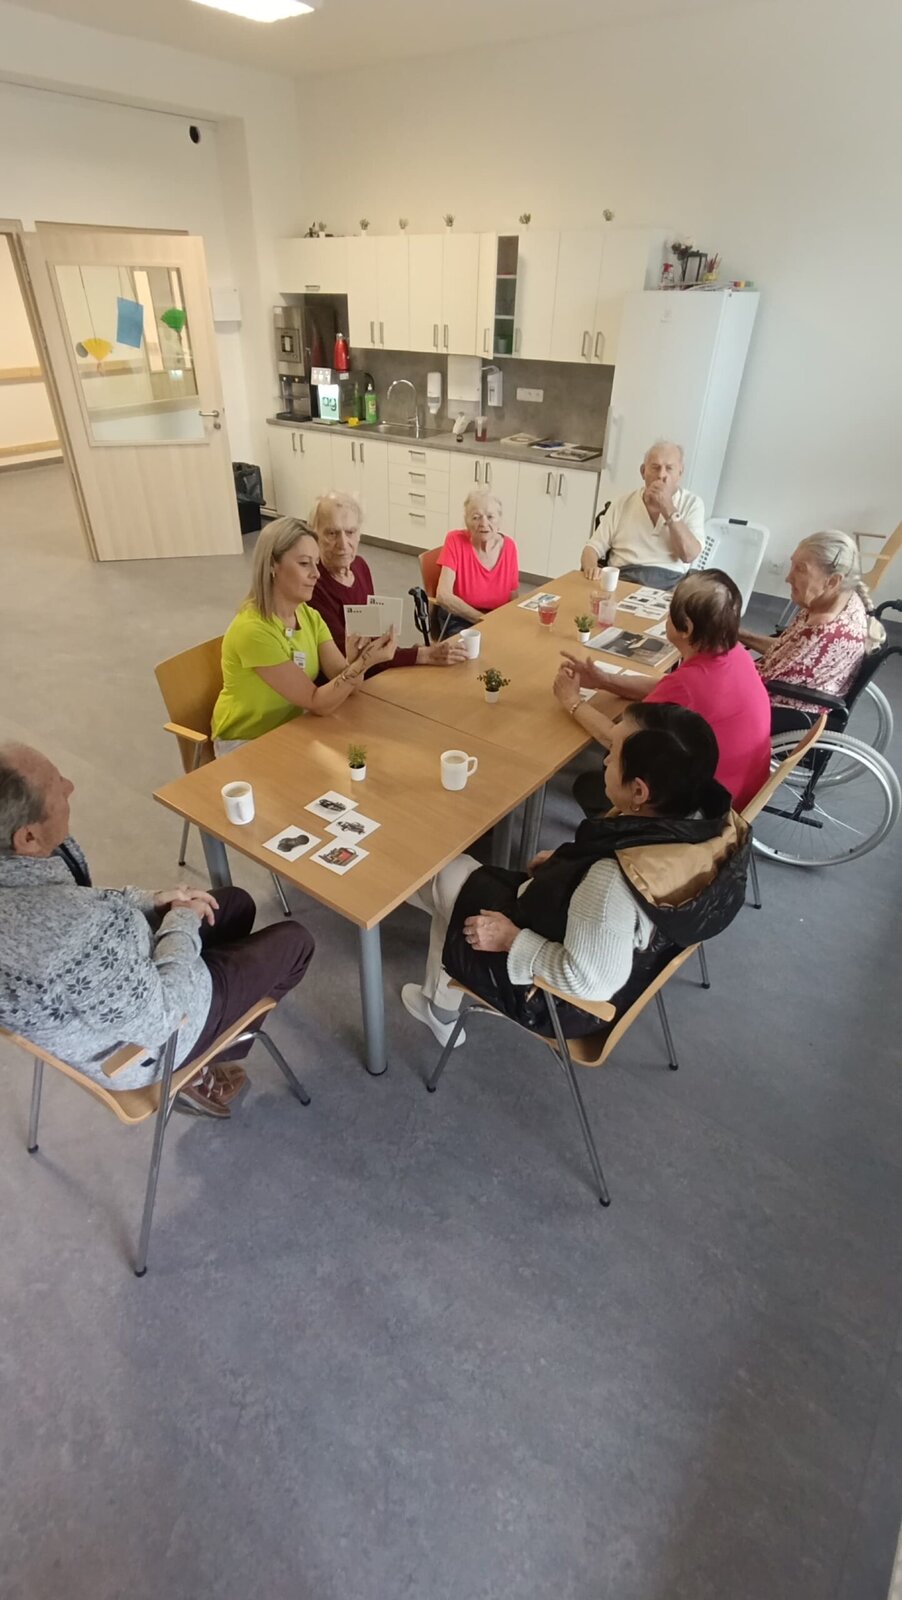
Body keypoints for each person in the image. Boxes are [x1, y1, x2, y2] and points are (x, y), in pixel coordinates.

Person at [401, 703, 748, 1047]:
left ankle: (435, 998)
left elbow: (589, 982)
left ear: (639, 792)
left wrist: (511, 940)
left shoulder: (610, 883)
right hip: (607, 946)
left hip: (556, 1000)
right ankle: (438, 1006)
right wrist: (568, 867)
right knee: (454, 890)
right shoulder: (702, 823)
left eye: (613, 752)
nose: (605, 760)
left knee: (444, 878)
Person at [0, 745, 314, 1118]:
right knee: (296, 943)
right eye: (57, 786)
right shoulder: (70, 936)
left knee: (235, 904)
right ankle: (197, 1066)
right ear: (28, 837)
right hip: (146, 1045)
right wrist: (181, 920)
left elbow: (84, 901)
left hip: (118, 983)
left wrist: (153, 901)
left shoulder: (24, 869)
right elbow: (161, 1018)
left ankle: (214, 1034)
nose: (70, 786)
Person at [556, 569, 772, 813]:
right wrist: (603, 680)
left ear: (686, 628)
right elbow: (666, 688)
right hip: (745, 788)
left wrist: (572, 700)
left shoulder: (689, 685)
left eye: (670, 611)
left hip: (710, 808)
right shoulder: (734, 653)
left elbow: (619, 740)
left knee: (595, 780)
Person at [211, 517, 396, 752]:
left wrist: (355, 660)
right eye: (304, 563)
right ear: (272, 565)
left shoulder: (309, 616)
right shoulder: (252, 630)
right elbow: (317, 703)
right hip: (246, 741)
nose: (316, 574)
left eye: (316, 564)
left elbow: (351, 687)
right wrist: (363, 663)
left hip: (293, 728)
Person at [739, 530, 883, 725]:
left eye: (800, 569)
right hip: (794, 690)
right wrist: (735, 632)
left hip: (784, 711)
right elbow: (782, 650)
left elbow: (761, 679)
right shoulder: (842, 599)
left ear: (833, 581)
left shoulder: (823, 625)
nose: (788, 577)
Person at [308, 490, 467, 669]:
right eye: (332, 533)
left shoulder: (359, 566)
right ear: (315, 536)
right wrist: (420, 655)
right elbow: (347, 659)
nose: (343, 544)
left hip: (371, 667)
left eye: (350, 532)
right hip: (346, 677)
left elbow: (371, 635)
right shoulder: (312, 586)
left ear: (359, 534)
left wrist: (407, 652)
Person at [579, 440, 704, 590]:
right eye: (655, 468)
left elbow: (689, 555)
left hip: (670, 586)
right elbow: (591, 549)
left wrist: (668, 508)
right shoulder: (622, 503)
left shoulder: (692, 504)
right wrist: (591, 569)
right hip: (623, 580)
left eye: (669, 468)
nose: (661, 475)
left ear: (680, 473)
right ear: (643, 471)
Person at [433, 487, 520, 638]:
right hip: (459, 617)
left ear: (499, 520)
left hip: (496, 617)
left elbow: (513, 597)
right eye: (476, 517)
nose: (483, 523)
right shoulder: (454, 540)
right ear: (466, 521)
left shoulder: (509, 547)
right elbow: (443, 595)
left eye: (490, 517)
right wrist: (482, 620)